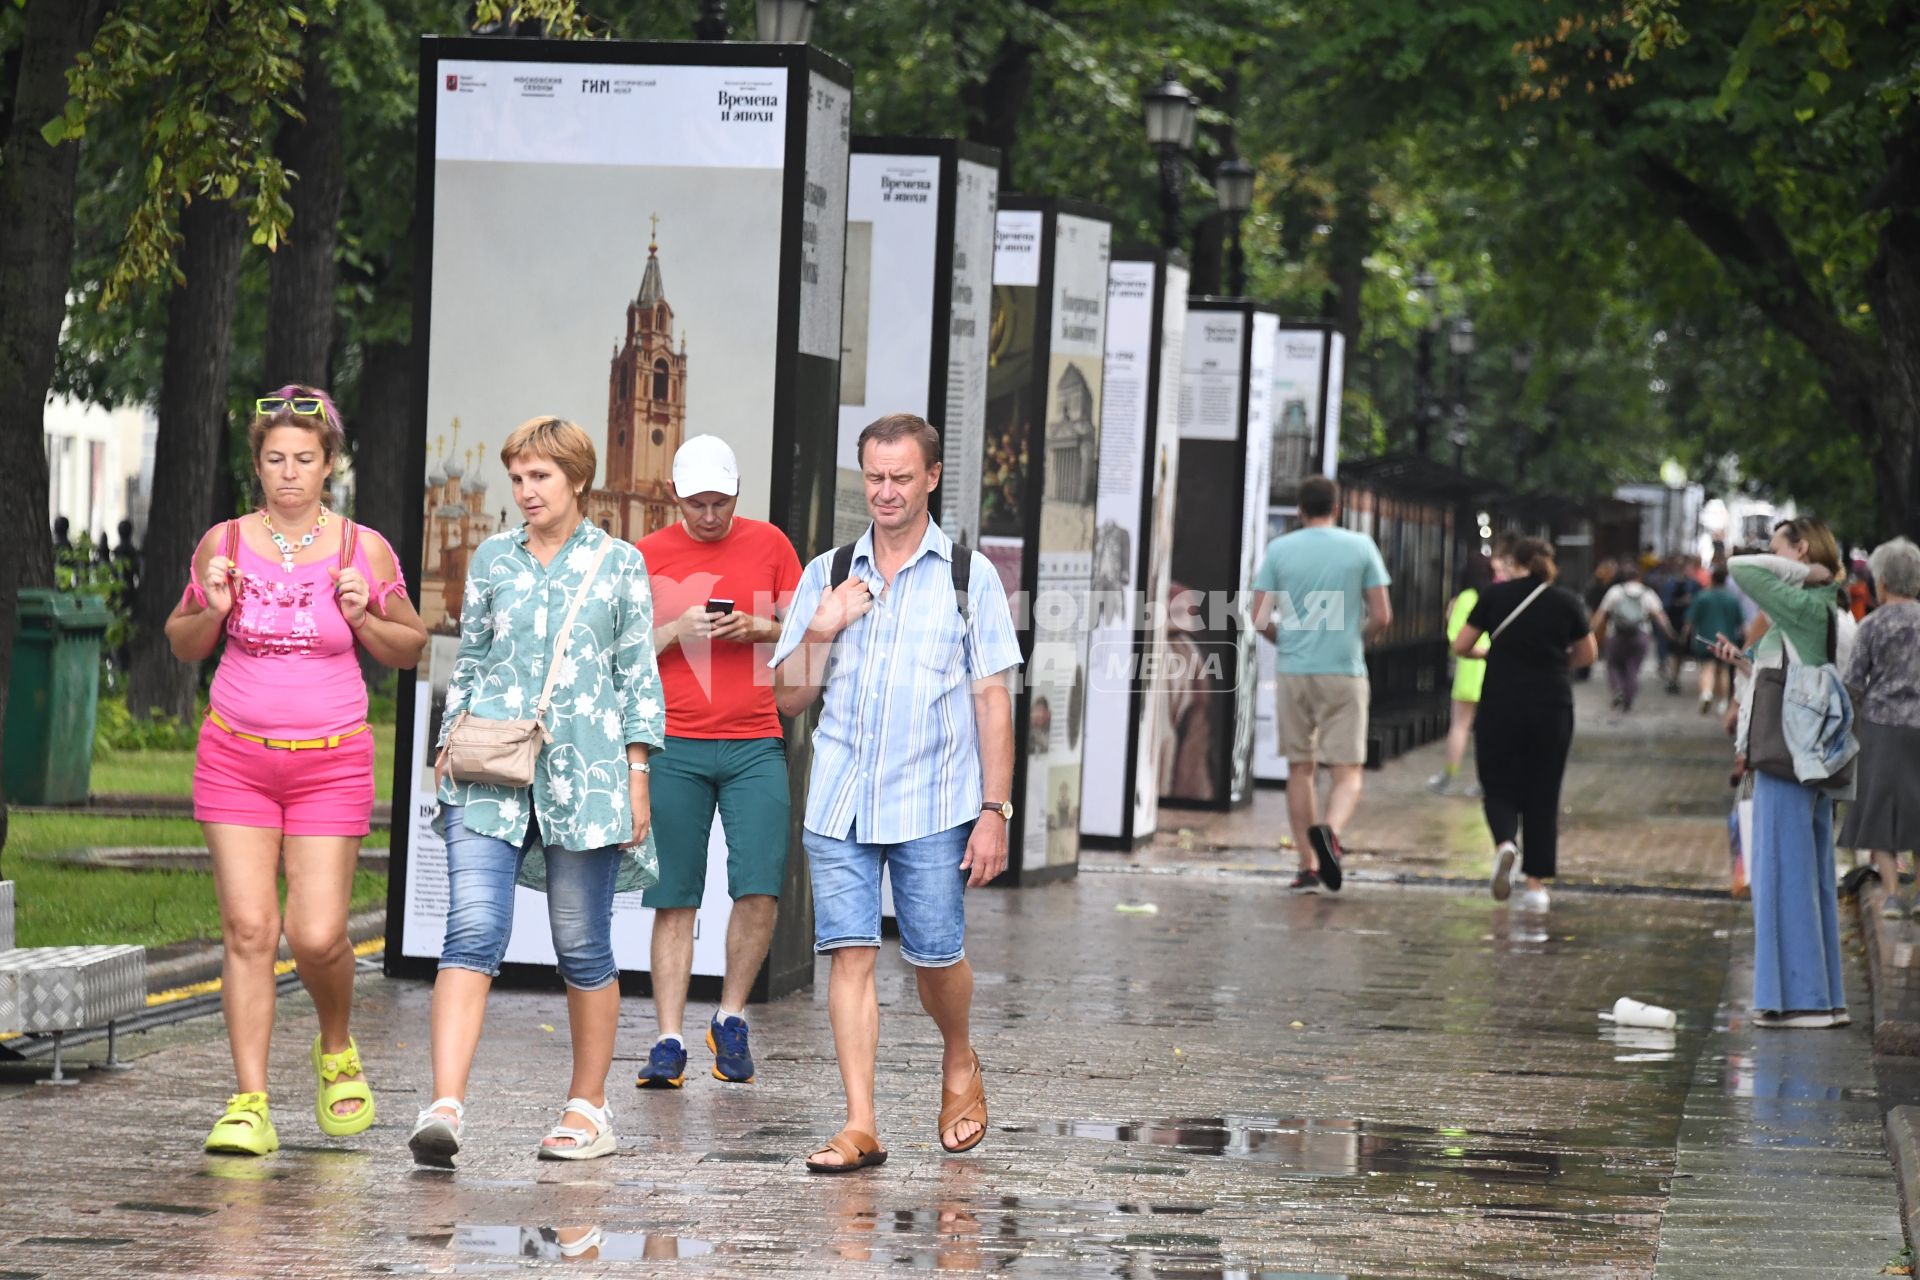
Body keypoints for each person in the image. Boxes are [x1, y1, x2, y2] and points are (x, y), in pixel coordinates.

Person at [164, 385, 427, 1155]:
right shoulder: (223, 541)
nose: (288, 474)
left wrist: (365, 615)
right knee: (249, 929)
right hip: (235, 759)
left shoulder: (361, 549)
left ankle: (336, 1044)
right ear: (257, 465)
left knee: (316, 937)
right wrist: (210, 608)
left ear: (329, 465)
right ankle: (249, 1099)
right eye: (275, 460)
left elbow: (410, 647)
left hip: (330, 763)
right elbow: (182, 643)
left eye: (304, 460)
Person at [411, 416, 668, 1166]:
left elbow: (635, 676)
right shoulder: (492, 558)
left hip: (586, 774)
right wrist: (448, 740)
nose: (525, 491)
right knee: (471, 930)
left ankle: (588, 1109)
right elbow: (471, 656)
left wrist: (638, 773)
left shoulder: (619, 563)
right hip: (488, 769)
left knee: (581, 943)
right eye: (517, 478)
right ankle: (445, 1108)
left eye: (540, 477)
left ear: (577, 480)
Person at [770, 412, 1021, 1172]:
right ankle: (861, 1122)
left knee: (934, 955)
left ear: (932, 478)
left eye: (900, 478)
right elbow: (786, 700)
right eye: (873, 477)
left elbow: (992, 701)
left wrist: (995, 813)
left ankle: (958, 1059)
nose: (884, 492)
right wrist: (820, 627)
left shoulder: (967, 576)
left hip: (936, 802)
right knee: (848, 954)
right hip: (841, 798)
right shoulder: (830, 571)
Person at [632, 435, 802, 1088]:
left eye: (721, 503)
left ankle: (730, 1017)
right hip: (674, 742)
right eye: (698, 503)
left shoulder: (771, 545)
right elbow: (620, 653)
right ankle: (669, 1039)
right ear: (676, 495)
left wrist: (758, 629)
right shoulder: (645, 555)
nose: (709, 515)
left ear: (737, 494)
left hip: (755, 738)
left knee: (759, 884)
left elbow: (809, 625)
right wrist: (678, 631)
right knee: (673, 895)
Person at [1712, 517, 1850, 1028]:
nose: (1770, 557)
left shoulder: (1803, 602)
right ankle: (1822, 997)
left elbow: (1740, 567)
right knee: (1808, 875)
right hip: (1806, 752)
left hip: (1785, 755)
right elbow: (1794, 675)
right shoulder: (1819, 610)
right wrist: (1745, 664)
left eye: (1779, 548)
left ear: (1802, 551)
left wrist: (1803, 573)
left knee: (1780, 873)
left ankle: (1796, 1001)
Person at [1249, 475, 1392, 893]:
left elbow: (1258, 617)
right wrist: (1357, 640)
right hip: (1344, 670)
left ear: (1299, 509)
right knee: (1347, 772)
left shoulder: (1279, 549)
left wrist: (1286, 640)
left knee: (1300, 768)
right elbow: (1382, 615)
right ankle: (1329, 830)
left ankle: (1307, 865)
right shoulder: (1360, 547)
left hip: (1294, 672)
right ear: (1338, 508)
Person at [1451, 537, 1598, 913]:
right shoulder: (1566, 601)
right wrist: (1551, 661)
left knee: (1497, 783)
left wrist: (1491, 652)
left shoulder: (1492, 597)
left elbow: (1461, 645)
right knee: (1543, 789)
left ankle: (1505, 845)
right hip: (1551, 703)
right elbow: (1588, 654)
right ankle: (1535, 886)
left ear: (1514, 563)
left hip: (1501, 701)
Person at [1838, 538, 1920, 917]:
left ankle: (1890, 894)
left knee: (1879, 809)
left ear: (1882, 581)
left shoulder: (1871, 625)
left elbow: (1853, 681)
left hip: (1882, 727)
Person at [1428, 542, 1510, 797]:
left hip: (1469, 668)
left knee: (1460, 726)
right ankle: (1486, 780)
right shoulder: (1497, 597)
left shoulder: (1463, 600)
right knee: (1490, 730)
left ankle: (1448, 775)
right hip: (1495, 670)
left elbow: (1456, 639)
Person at [1592, 564, 1676, 712]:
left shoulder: (1615, 591)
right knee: (1633, 667)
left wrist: (1590, 631)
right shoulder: (1647, 593)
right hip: (1640, 634)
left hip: (1616, 634)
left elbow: (1601, 613)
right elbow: (1659, 615)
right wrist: (1670, 633)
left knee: (1613, 665)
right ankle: (1628, 698)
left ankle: (1617, 689)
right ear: (1639, 577)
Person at [1684, 564, 1746, 715]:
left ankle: (1706, 694)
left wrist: (1684, 636)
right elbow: (1742, 624)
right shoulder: (1732, 599)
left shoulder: (1702, 597)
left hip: (1705, 638)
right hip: (1727, 640)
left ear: (1711, 579)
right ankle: (1724, 702)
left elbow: (1690, 621)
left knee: (1707, 668)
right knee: (1723, 671)